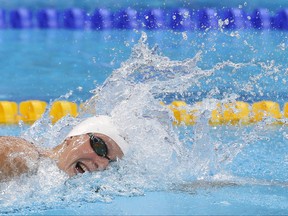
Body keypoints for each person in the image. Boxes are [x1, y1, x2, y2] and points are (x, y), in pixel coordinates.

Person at [0, 115, 129, 182]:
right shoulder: (19, 155)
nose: (101, 164)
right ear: (72, 137)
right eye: (100, 147)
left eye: (111, 162)